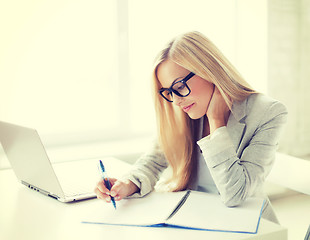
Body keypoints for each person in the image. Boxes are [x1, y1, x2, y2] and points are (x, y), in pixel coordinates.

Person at [94, 31, 287, 223]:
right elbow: (154, 160)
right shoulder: (184, 111)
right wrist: (127, 184)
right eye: (168, 92)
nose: (176, 101)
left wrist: (217, 123)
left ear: (209, 70)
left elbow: (236, 195)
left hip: (249, 226)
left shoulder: (268, 112)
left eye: (179, 87)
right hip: (196, 219)